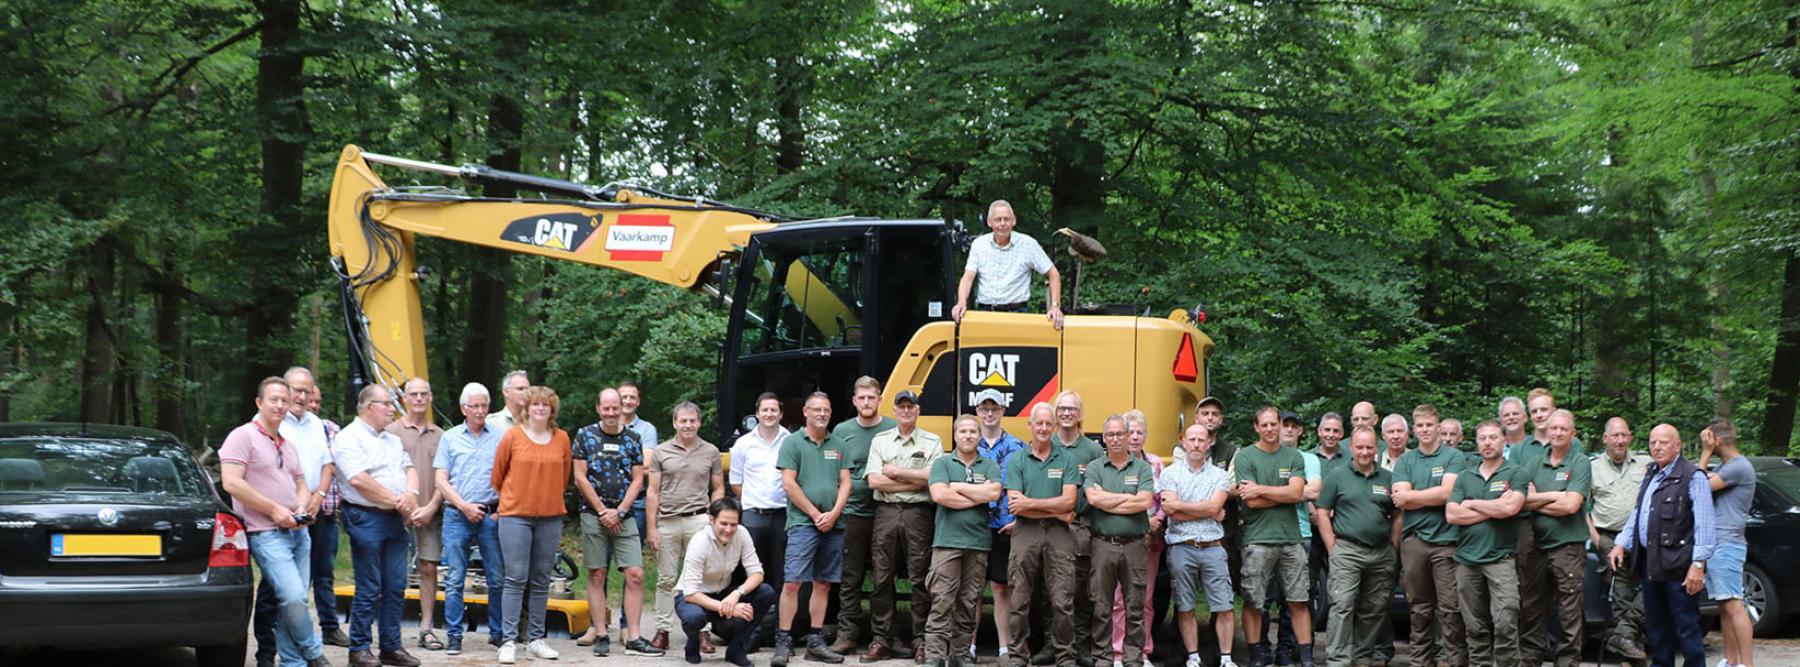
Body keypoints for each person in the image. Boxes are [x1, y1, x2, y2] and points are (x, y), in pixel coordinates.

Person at [224, 377, 333, 667]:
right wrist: (274, 510)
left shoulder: (286, 444)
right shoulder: (242, 436)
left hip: (298, 532)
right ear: (259, 403)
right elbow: (232, 483)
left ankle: (292, 662)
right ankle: (312, 650)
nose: (281, 405)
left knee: (292, 602)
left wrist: (299, 506)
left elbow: (300, 483)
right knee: (294, 596)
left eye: (284, 400)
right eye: (274, 399)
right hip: (266, 533)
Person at [256, 367, 347, 667]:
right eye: (297, 390)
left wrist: (318, 498)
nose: (302, 396)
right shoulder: (272, 423)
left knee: (305, 584)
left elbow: (326, 465)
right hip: (277, 516)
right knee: (275, 590)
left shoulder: (316, 424)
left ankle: (294, 656)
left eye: (308, 391)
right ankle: (267, 652)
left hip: (313, 511)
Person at [1608, 424, 1714, 667]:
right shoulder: (1651, 474)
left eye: (1663, 442)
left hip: (1681, 567)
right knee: (1657, 630)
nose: (1657, 447)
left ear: (1678, 445)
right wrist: (1620, 544)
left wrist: (1698, 564)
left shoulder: (1693, 476)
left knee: (1686, 629)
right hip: (1651, 563)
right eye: (1653, 442)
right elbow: (1638, 515)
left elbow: (1705, 525)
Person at [333, 384, 422, 667]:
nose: (392, 409)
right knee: (370, 586)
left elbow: (410, 468)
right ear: (369, 406)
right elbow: (359, 480)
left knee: (396, 585)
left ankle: (391, 647)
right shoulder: (349, 438)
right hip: (365, 517)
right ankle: (358, 649)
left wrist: (411, 495)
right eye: (386, 404)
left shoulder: (391, 440)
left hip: (395, 518)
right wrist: (398, 501)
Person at [570, 388, 661, 656]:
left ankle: (633, 636)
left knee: (635, 573)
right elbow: (579, 477)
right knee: (597, 573)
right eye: (606, 408)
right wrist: (602, 511)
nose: (611, 413)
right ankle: (600, 633)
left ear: (622, 408)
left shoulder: (633, 439)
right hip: (593, 514)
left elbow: (637, 479)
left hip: (625, 516)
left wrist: (619, 511)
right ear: (598, 408)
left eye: (615, 408)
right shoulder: (585, 435)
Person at [490, 386, 572, 664]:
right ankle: (509, 640)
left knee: (541, 580)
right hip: (515, 516)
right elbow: (498, 475)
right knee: (515, 578)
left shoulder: (562, 438)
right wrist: (517, 500)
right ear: (527, 408)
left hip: (550, 517)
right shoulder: (512, 436)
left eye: (545, 405)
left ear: (552, 410)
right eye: (535, 404)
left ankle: (536, 639)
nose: (540, 409)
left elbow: (564, 477)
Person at [773, 392, 852, 666]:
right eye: (816, 409)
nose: (822, 414)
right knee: (793, 582)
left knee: (823, 583)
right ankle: (783, 640)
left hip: (834, 524)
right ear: (805, 412)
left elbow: (846, 483)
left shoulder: (840, 444)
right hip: (803, 524)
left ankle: (815, 641)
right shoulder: (792, 443)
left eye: (826, 410)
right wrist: (816, 514)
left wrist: (834, 513)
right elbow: (789, 484)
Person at [864, 390, 942, 663]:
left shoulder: (932, 441)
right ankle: (882, 639)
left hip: (918, 514)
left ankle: (922, 640)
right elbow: (874, 481)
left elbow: (933, 478)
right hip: (885, 513)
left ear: (917, 410)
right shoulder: (881, 440)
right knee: (882, 578)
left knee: (921, 578)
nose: (906, 411)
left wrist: (895, 472)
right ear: (894, 411)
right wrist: (914, 479)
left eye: (911, 406)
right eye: (902, 407)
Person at [1232, 406, 1313, 667]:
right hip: (1257, 539)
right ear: (1256, 427)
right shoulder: (1245, 457)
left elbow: (1296, 494)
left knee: (1298, 600)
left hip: (1292, 539)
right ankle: (1257, 655)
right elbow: (1251, 502)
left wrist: (1262, 490)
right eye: (1264, 425)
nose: (1269, 429)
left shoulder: (1294, 456)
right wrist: (1282, 494)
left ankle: (1307, 658)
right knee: (1254, 601)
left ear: (1280, 425)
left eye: (1273, 424)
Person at [924, 415, 1005, 667]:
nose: (968, 435)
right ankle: (935, 656)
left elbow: (993, 493)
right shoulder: (942, 463)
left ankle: (960, 655)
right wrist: (975, 497)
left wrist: (956, 486)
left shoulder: (989, 465)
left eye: (972, 431)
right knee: (941, 600)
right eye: (963, 431)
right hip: (947, 542)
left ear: (979, 436)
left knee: (969, 602)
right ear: (955, 435)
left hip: (978, 544)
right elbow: (939, 495)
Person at [1313, 427, 1397, 667]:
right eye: (1359, 447)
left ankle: (1362, 657)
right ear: (1351, 448)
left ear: (1376, 448)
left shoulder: (1388, 478)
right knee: (1342, 605)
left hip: (1381, 551)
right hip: (1347, 550)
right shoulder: (1337, 477)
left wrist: (1393, 546)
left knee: (1375, 607)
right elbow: (1322, 513)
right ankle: (1338, 660)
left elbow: (1398, 515)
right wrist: (1333, 548)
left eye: (1369, 447)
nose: (1364, 452)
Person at [1445, 421, 1527, 667]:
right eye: (1482, 438)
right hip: (1466, 561)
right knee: (1474, 627)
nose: (1487, 442)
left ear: (1504, 441)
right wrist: (1495, 507)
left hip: (1500, 559)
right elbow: (1451, 515)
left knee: (1505, 621)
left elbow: (1512, 508)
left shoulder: (1516, 472)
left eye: (1493, 437)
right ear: (1476, 442)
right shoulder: (1465, 477)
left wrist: (1471, 503)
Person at [433, 382, 506, 655]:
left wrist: (501, 511)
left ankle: (498, 633)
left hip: (490, 514)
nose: (479, 411)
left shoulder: (499, 437)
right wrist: (463, 506)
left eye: (484, 405)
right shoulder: (450, 438)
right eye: (474, 406)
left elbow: (509, 477)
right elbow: (441, 479)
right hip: (457, 514)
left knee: (497, 577)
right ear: (464, 408)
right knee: (454, 578)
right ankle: (454, 634)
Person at [1390, 404, 1465, 667]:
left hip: (1446, 543)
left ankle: (1453, 661)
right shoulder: (1406, 461)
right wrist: (1420, 497)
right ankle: (1421, 662)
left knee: (1451, 609)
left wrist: (1413, 496)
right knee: (1419, 608)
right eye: (1419, 426)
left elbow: (1448, 494)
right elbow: (1400, 499)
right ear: (1414, 429)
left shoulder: (1453, 457)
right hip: (1414, 542)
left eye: (1429, 425)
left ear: (1438, 426)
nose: (1424, 430)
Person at [1006, 403, 1081, 667]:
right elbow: (1015, 504)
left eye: (1049, 424)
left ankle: (1065, 656)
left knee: (1062, 599)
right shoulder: (1017, 460)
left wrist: (1031, 503)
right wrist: (1053, 507)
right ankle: (1017, 655)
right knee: (1019, 598)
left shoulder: (1066, 460)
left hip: (1059, 535)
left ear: (1055, 426)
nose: (1044, 428)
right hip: (1025, 533)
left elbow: (1069, 503)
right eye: (1039, 423)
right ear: (1030, 425)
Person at [649, 401, 727, 652]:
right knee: (666, 578)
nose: (688, 425)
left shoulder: (711, 451)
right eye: (683, 421)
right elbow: (653, 491)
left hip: (699, 520)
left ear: (699, 423)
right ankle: (663, 629)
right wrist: (652, 527)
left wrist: (713, 520)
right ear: (674, 423)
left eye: (692, 421)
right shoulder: (660, 452)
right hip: (668, 521)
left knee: (700, 578)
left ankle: (703, 631)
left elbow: (718, 488)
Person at [829, 377, 897, 657]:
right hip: (852, 512)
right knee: (851, 576)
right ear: (854, 401)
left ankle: (885, 635)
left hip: (887, 510)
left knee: (885, 576)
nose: (867, 402)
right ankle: (847, 634)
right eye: (862, 398)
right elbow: (835, 472)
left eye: (872, 397)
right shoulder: (842, 431)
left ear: (880, 399)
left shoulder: (892, 427)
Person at [1518, 409, 1590, 667]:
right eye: (1554, 428)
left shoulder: (1580, 462)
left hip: (1568, 548)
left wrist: (1539, 499)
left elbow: (1571, 506)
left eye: (1563, 429)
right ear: (1547, 431)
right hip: (1536, 546)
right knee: (1531, 608)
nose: (1558, 433)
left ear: (1573, 433)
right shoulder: (1534, 463)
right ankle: (1530, 660)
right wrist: (1557, 495)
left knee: (1569, 613)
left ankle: (1567, 662)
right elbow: (1522, 501)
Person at [1160, 424, 1236, 667]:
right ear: (1183, 441)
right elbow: (1172, 512)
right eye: (1191, 439)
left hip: (1213, 547)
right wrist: (1207, 510)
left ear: (1209, 443)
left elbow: (1214, 507)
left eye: (1200, 440)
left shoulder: (1220, 476)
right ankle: (1193, 657)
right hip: (1182, 546)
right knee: (1185, 605)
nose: (1195, 444)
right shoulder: (1169, 474)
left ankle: (1226, 658)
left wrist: (1183, 506)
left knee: (1224, 605)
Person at [1085, 415, 1157, 667]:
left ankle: (1133, 659)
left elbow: (1145, 501)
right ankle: (1104, 659)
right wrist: (1127, 499)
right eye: (1110, 435)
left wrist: (1108, 498)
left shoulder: (1142, 468)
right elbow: (1093, 500)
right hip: (1102, 544)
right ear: (1104, 439)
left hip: (1135, 544)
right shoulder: (1095, 467)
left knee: (1135, 606)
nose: (1115, 439)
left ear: (1128, 436)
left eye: (1120, 434)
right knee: (1101, 606)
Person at [384, 377, 446, 652]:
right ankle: (390, 631)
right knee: (393, 573)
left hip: (431, 512)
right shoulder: (390, 431)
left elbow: (445, 477)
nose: (419, 398)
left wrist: (431, 506)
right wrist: (403, 505)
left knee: (429, 568)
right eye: (413, 394)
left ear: (430, 397)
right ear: (404, 398)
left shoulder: (441, 435)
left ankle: (426, 629)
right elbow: (384, 472)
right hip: (397, 512)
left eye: (424, 394)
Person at [678, 497, 777, 667]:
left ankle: (736, 649)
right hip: (694, 597)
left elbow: (757, 573)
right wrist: (727, 607)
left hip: (724, 592)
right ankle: (693, 641)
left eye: (733, 524)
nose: (729, 529)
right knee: (694, 618)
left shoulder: (742, 533)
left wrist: (736, 594)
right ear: (711, 520)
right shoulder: (700, 541)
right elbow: (690, 593)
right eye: (723, 524)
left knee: (766, 592)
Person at [729, 392, 791, 648]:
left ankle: (779, 632)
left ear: (781, 413)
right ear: (757, 413)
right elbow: (735, 482)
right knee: (753, 576)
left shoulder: (791, 441)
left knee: (782, 577)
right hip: (754, 516)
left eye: (773, 410)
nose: (769, 414)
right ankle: (751, 633)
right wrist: (754, 501)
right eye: (764, 410)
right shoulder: (743, 444)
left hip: (783, 516)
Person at [1052, 390, 1106, 667]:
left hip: (1083, 528)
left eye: (1072, 408)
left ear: (1080, 413)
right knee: (1052, 591)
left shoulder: (1093, 450)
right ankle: (1053, 646)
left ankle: (1081, 647)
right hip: (1050, 527)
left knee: (1082, 591)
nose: (1066, 413)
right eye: (1061, 408)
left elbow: (1101, 488)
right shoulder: (1044, 443)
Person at [952, 199, 1064, 328]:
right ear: (989, 222)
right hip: (985, 315)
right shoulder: (979, 244)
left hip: (1018, 316)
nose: (1003, 223)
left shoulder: (1028, 244)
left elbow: (1053, 273)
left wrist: (1055, 307)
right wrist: (961, 303)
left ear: (1014, 221)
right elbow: (967, 277)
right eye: (998, 219)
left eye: (1006, 219)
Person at [1588, 417, 1648, 662]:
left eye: (1624, 435)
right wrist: (1598, 540)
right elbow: (1581, 506)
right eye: (1615, 435)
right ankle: (1632, 658)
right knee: (1621, 599)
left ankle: (1623, 636)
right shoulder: (1592, 467)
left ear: (1630, 436)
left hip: (1644, 540)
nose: (1620, 440)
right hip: (1610, 539)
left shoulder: (1646, 463)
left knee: (1654, 588)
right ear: (1606, 438)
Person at [1108, 411, 1165, 667]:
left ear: (1145, 435)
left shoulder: (1155, 464)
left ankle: (1142, 651)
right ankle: (1118, 652)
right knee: (1120, 598)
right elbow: (1112, 500)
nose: (1134, 436)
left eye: (1139, 432)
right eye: (1129, 432)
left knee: (1145, 598)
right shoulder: (1114, 463)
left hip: (1150, 540)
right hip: (1122, 537)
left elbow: (1164, 499)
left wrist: (1157, 521)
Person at [1700, 418, 1756, 667]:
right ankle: (1731, 661)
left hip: (1727, 543)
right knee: (1724, 605)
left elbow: (1698, 487)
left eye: (1709, 439)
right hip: (1718, 543)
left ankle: (1747, 663)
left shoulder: (1738, 467)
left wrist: (1705, 452)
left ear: (1718, 440)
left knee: (1734, 604)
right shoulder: (1726, 467)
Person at [975, 389, 1027, 663]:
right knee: (971, 588)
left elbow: (1026, 486)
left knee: (1000, 587)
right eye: (984, 408)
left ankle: (1004, 648)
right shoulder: (969, 443)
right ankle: (967, 646)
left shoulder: (1017, 447)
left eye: (994, 407)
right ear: (978, 411)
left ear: (1003, 410)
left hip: (1005, 526)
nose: (990, 412)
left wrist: (1019, 519)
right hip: (973, 526)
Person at [620, 381, 658, 543]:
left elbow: (647, 466)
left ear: (638, 402)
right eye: (624, 397)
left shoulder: (647, 429)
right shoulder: (602, 428)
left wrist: (611, 467)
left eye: (632, 397)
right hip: (605, 502)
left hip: (638, 502)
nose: (628, 401)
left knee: (633, 560)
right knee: (601, 562)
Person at [1310, 413, 1347, 479]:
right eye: (1327, 430)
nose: (1331, 435)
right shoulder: (1307, 458)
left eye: (1336, 431)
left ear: (1341, 433)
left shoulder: (1350, 459)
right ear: (1319, 431)